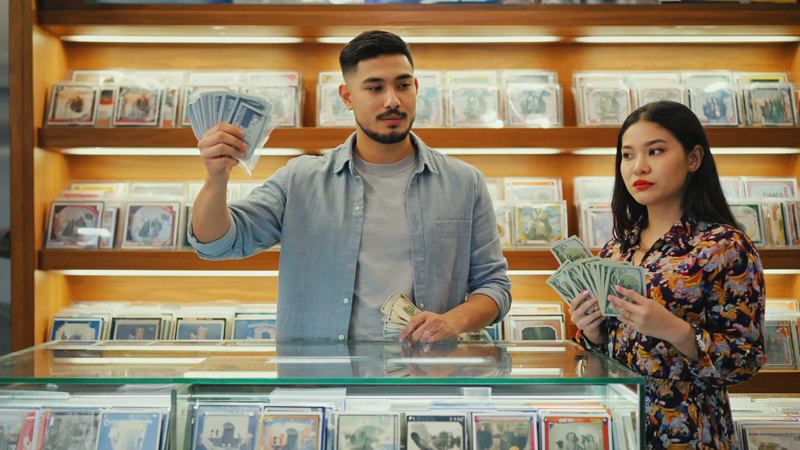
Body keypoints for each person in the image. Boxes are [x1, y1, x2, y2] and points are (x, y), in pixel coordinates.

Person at [189, 30, 511, 342]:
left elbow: (494, 286)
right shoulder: (300, 180)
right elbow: (216, 244)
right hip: (320, 385)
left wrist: (453, 320)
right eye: (374, 88)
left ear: (415, 87)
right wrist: (216, 179)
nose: (392, 101)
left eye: (402, 85)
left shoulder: (464, 182)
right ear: (347, 97)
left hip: (425, 382)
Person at [570, 100, 765, 449]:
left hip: (688, 433)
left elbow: (745, 359)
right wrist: (592, 334)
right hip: (619, 429)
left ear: (694, 159)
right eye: (627, 155)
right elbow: (608, 358)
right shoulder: (617, 247)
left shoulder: (723, 245)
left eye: (655, 151)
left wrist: (673, 329)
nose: (638, 168)